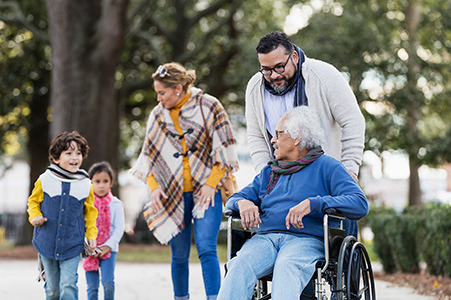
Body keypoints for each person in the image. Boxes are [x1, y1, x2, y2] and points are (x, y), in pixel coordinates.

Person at [217, 107, 369, 300]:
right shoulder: (269, 172)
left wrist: (313, 203)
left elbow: (359, 203)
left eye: (278, 134)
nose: (272, 140)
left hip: (306, 241)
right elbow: (232, 200)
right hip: (265, 239)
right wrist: (242, 203)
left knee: (287, 265)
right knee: (238, 266)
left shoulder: (328, 167)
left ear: (296, 138)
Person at [130, 62, 239, 300]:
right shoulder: (158, 114)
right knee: (178, 255)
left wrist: (211, 184)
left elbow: (225, 149)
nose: (159, 99)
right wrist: (155, 188)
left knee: (207, 248)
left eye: (162, 93)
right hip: (172, 193)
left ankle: (214, 297)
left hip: (206, 192)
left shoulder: (209, 106)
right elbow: (149, 157)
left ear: (178, 88)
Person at [245, 30, 365, 180]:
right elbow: (256, 136)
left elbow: (353, 121)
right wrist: (264, 175)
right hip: (279, 181)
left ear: (294, 57)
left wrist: (349, 168)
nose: (274, 75)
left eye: (279, 67)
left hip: (325, 178)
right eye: (267, 70)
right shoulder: (255, 87)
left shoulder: (325, 75)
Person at [27, 131, 98, 300]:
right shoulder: (45, 179)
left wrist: (91, 235)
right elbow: (33, 202)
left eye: (78, 153)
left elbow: (90, 213)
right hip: (47, 242)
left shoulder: (85, 184)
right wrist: (34, 216)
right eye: (69, 153)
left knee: (68, 285)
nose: (75, 157)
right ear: (56, 158)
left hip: (72, 244)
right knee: (52, 290)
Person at [83, 161, 125, 300]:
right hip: (90, 249)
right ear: (90, 183)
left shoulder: (116, 204)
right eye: (97, 181)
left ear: (111, 183)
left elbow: (119, 229)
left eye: (105, 181)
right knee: (92, 287)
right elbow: (83, 226)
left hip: (109, 249)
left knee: (108, 283)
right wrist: (89, 246)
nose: (101, 185)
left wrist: (107, 246)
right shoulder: (86, 205)